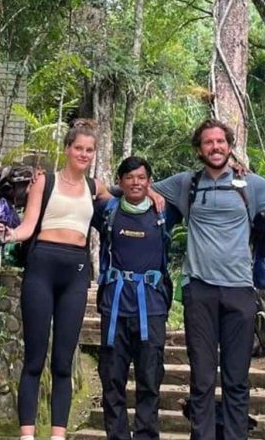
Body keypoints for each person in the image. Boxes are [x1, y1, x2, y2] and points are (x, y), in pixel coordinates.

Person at [146, 119, 265, 440]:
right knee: (202, 378)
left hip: (240, 291)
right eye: (208, 142)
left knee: (236, 379)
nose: (215, 147)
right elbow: (136, 186)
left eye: (220, 141)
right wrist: (150, 191)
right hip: (199, 290)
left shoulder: (251, 186)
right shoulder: (186, 184)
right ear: (199, 149)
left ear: (229, 146)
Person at [0, 119, 112, 440]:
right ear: (67, 149)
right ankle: (27, 435)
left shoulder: (95, 187)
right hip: (42, 266)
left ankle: (58, 435)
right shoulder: (45, 181)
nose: (84, 154)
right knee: (34, 358)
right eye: (79, 148)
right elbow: (28, 226)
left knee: (63, 361)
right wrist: (9, 234)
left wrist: (154, 194)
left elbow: (126, 196)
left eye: (90, 150)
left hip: (76, 271)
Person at [94, 156, 176, 440]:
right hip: (114, 308)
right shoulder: (108, 212)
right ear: (120, 181)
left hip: (151, 309)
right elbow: (87, 185)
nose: (136, 182)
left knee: (150, 380)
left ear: (150, 181)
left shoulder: (165, 213)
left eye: (142, 178)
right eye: (129, 177)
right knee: (112, 381)